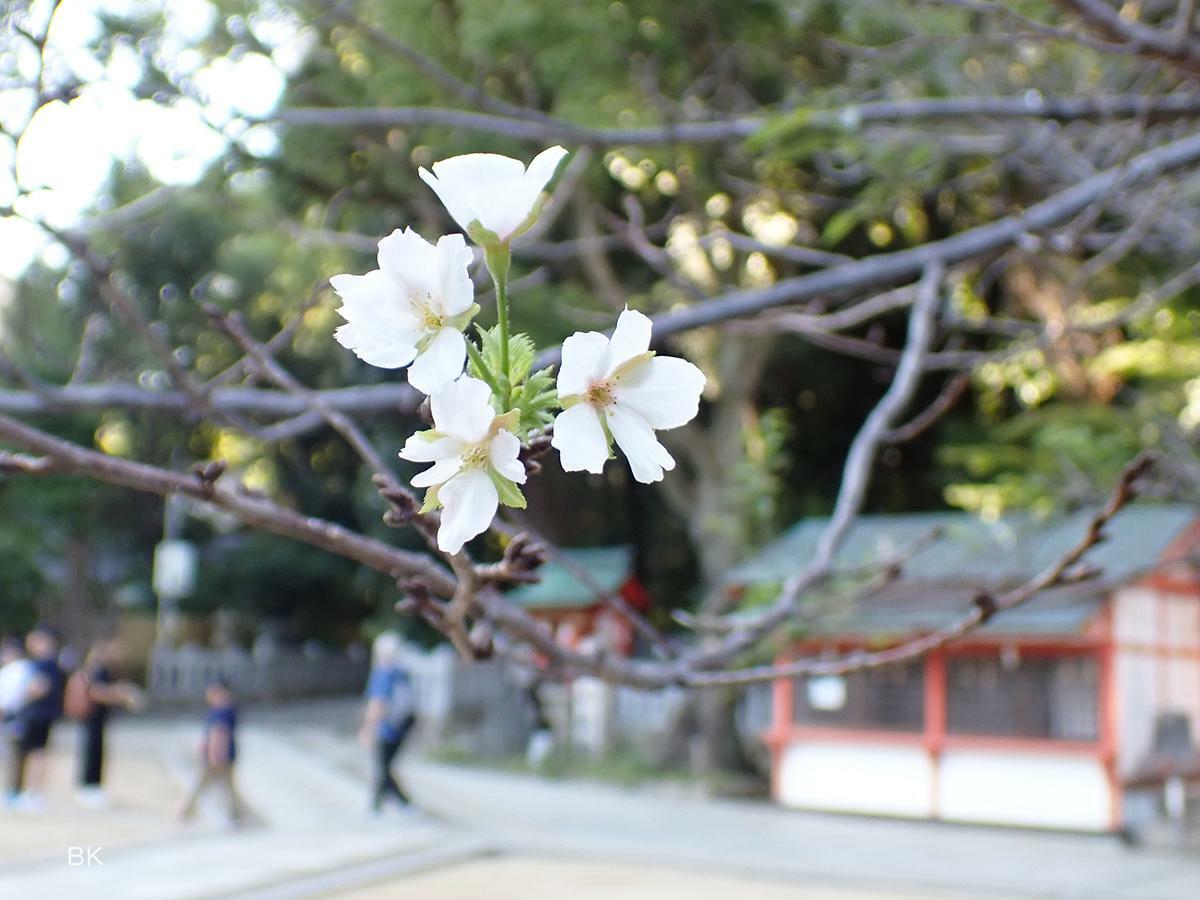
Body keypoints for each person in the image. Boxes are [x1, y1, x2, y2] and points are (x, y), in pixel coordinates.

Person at [68, 638, 144, 808]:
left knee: (96, 751)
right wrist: (119, 695)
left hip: (98, 718)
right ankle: (88, 786)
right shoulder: (98, 669)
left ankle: (93, 785)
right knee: (91, 752)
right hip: (92, 716)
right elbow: (96, 691)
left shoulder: (105, 669)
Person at [8, 626, 65, 810]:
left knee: (36, 754)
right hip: (36, 715)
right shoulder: (47, 663)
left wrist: (17, 696)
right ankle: (23, 792)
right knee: (29, 753)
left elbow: (40, 687)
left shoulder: (45, 664)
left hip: (38, 716)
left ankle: (31, 793)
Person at [359, 633, 416, 814]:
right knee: (385, 766)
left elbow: (378, 703)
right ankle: (384, 805)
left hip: (388, 728)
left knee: (383, 766)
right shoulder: (401, 673)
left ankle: (394, 805)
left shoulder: (383, 673)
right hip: (402, 726)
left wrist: (367, 728)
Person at [179, 677, 246, 825]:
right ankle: (235, 813)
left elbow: (220, 733)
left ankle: (188, 811)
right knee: (226, 786)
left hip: (218, 756)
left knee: (206, 783)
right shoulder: (226, 709)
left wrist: (215, 754)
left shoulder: (222, 711)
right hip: (225, 755)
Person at [1, 636, 33, 803]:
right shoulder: (23, 668)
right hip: (14, 716)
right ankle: (13, 790)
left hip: (13, 717)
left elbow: (10, 697)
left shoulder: (17, 669)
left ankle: (13, 791)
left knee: (14, 755)